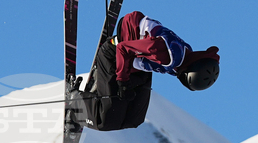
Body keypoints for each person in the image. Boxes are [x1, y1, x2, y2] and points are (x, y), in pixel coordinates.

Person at [81, 11, 219, 132]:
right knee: (106, 120)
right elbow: (123, 48)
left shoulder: (184, 55)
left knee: (134, 119)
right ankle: (74, 105)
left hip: (137, 65)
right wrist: (122, 81)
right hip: (114, 53)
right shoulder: (164, 53)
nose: (179, 78)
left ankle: (103, 95)